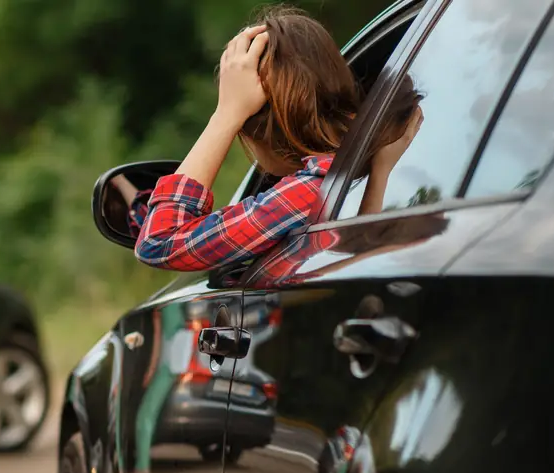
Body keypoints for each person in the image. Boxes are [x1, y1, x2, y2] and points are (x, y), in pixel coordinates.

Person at [131, 7, 423, 277]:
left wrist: (225, 115)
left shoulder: (308, 192)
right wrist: (381, 174)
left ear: (256, 132)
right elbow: (362, 260)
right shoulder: (354, 174)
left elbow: (160, 241)